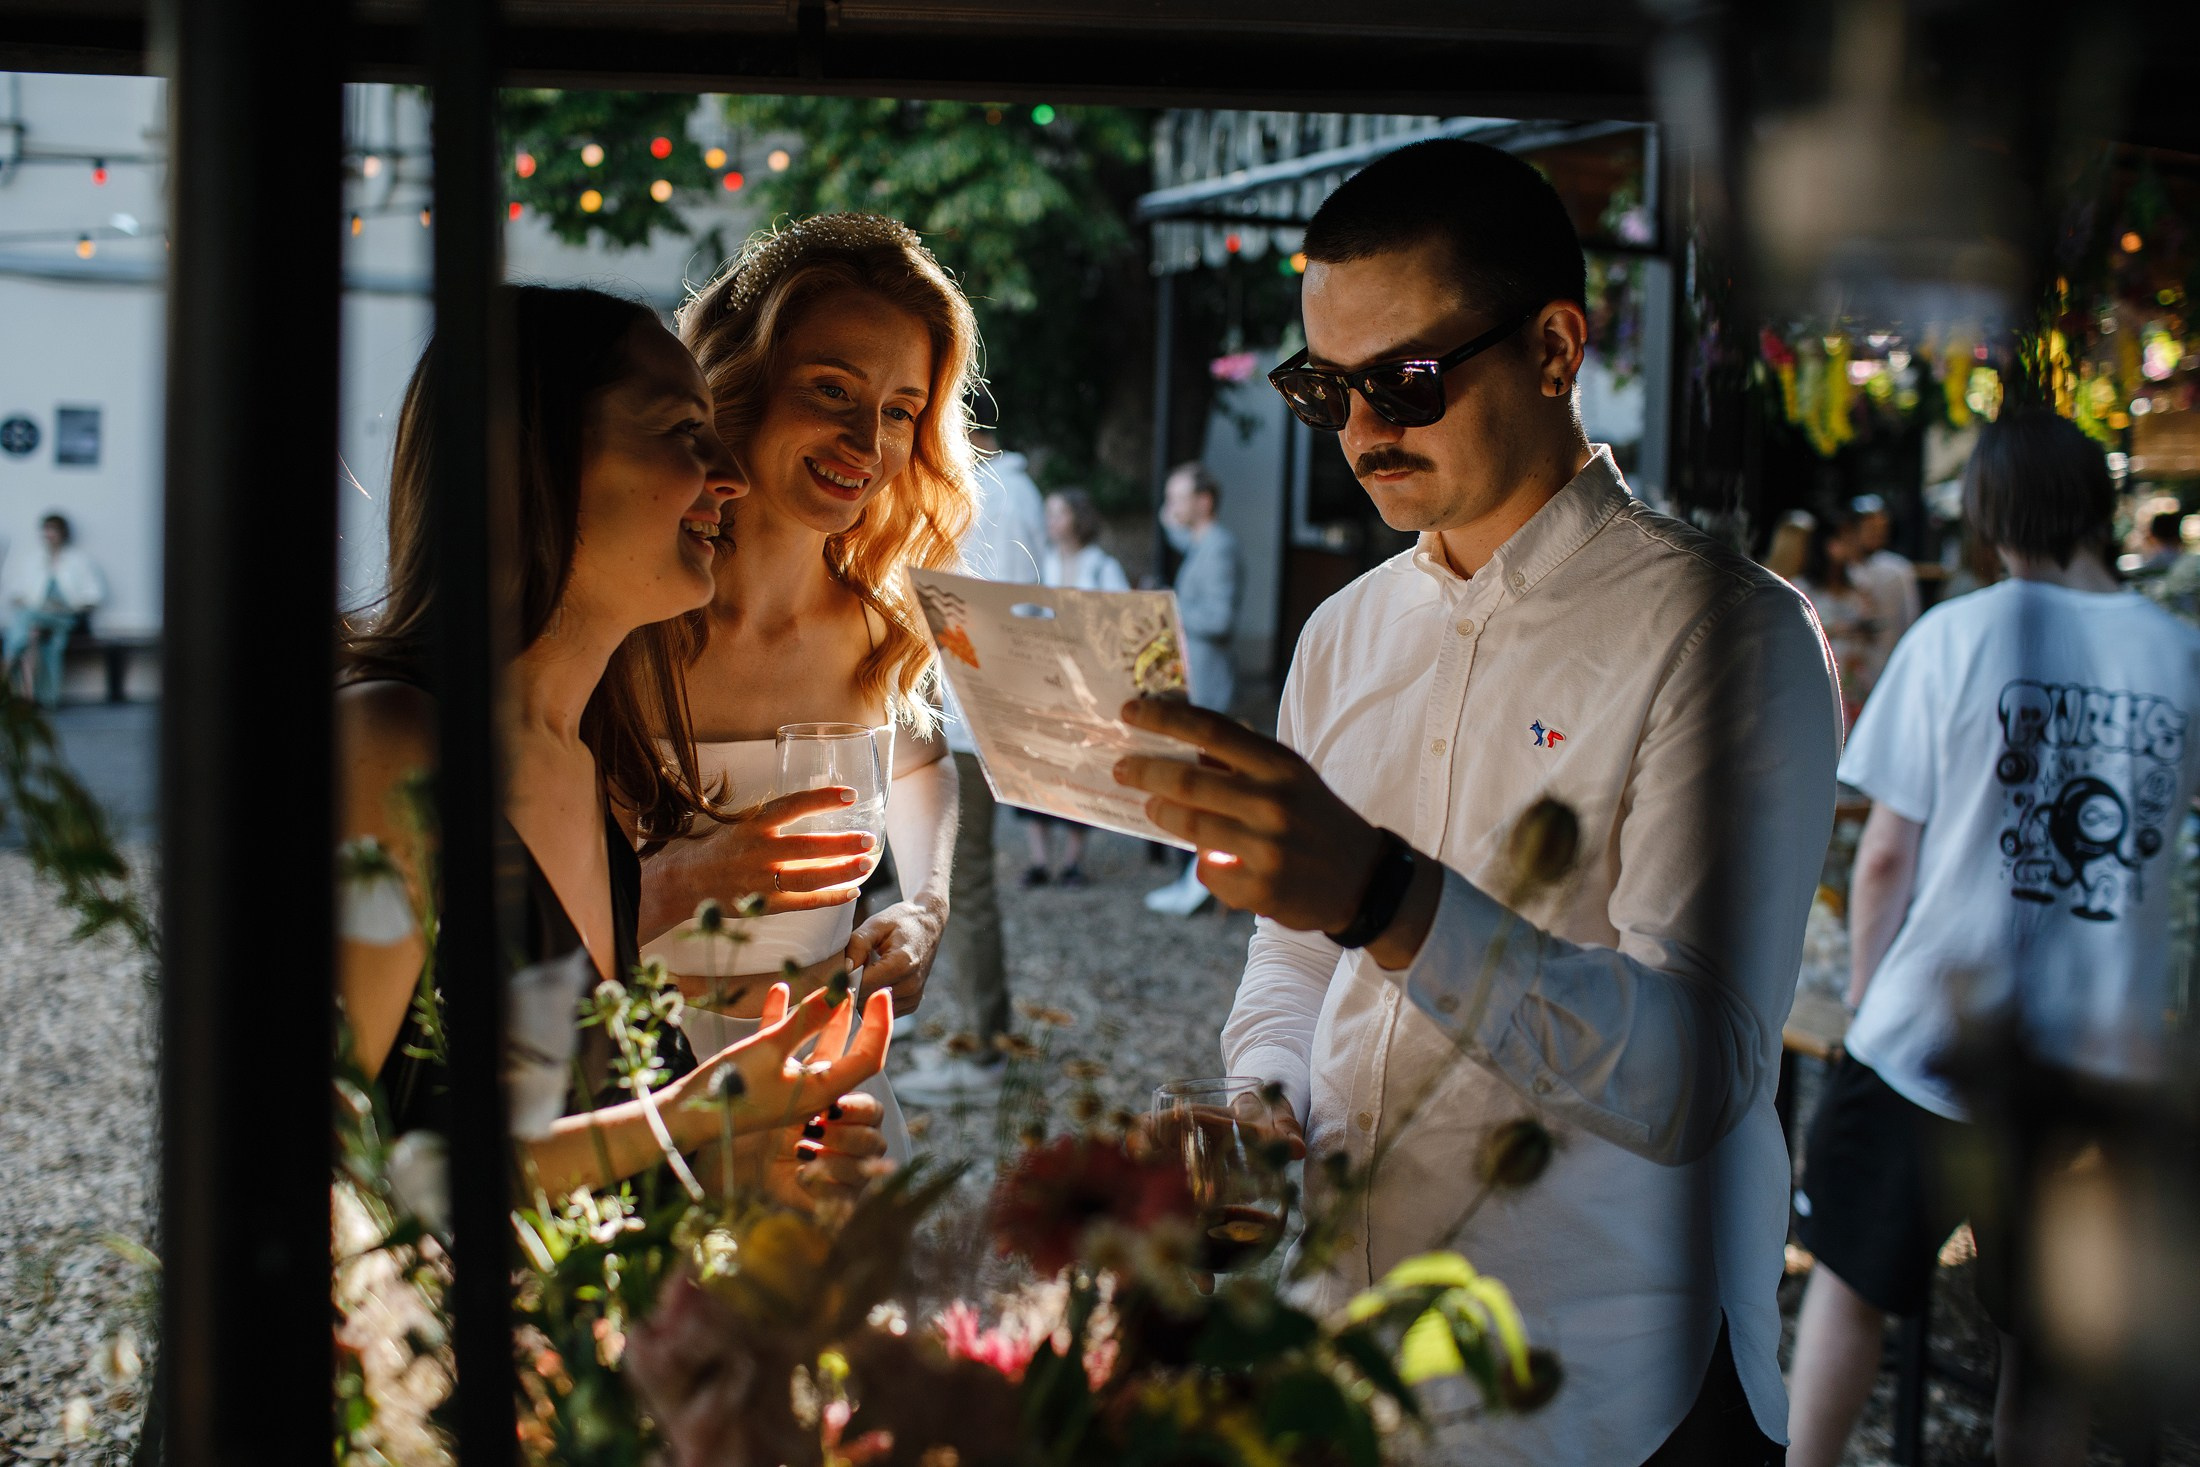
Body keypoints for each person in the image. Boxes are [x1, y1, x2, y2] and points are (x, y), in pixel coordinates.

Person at [1112, 139, 1839, 1464]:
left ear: (1555, 348)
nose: (1362, 430)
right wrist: (1266, 1104)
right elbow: (1290, 954)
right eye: (1324, 387)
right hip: (1357, 1354)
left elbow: (1701, 1068)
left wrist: (1387, 898)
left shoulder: (1727, 635)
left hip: (1608, 1382)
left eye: (1406, 380)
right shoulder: (1341, 632)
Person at [337, 285, 893, 1202]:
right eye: (683, 432)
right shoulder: (389, 747)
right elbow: (331, 1177)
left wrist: (750, 1153)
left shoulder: (581, 763)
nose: (732, 476)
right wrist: (688, 1116)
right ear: (527, 459)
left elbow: (569, 1150)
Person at [1785, 410, 2200, 1467]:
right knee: (2045, 1353)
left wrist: (1871, 1006)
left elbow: (1883, 858)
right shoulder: (2179, 654)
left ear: (1990, 514)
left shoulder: (1958, 635)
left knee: (1847, 1291)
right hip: (2092, 1063)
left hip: (1928, 1032)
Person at [642, 215, 977, 1138]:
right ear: (736, 386)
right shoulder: (624, 623)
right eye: (832, 388)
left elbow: (920, 765)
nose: (868, 441)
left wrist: (926, 905)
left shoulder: (881, 629)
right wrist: (672, 882)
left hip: (831, 1107)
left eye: (903, 409)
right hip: (630, 1098)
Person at [909, 425, 1046, 1104]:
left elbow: (998, 611)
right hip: (961, 712)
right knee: (943, 882)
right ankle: (961, 1031)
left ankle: (983, 1048)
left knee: (963, 889)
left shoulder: (996, 492)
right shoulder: (1005, 489)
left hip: (969, 718)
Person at [1017, 487, 1130, 891]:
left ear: (1078, 518)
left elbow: (1120, 620)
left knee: (1080, 767)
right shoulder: (1042, 561)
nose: (1050, 522)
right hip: (1045, 679)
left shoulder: (1101, 566)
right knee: (1038, 766)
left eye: (1059, 513)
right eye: (1048, 514)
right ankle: (1039, 859)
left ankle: (1072, 861)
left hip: (1084, 685)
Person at [1143, 462, 1242, 916]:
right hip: (1195, 680)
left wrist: (1170, 606)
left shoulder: (1220, 547)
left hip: (1211, 683)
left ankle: (1207, 884)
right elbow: (1176, 532)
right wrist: (1170, 507)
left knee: (1206, 786)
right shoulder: (1200, 543)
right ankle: (1196, 881)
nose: (1174, 507)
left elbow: (1220, 620)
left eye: (1181, 497)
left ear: (1204, 502)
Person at [3, 513, 105, 707]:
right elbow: (16, 591)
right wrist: (25, 601)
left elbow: (93, 595)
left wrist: (72, 606)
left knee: (26, 621)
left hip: (64, 618)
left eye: (53, 530)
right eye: (46, 530)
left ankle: (8, 662)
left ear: (63, 533)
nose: (49, 534)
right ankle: (40, 699)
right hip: (38, 617)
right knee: (38, 638)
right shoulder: (34, 560)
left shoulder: (78, 560)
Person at [1795, 509, 1882, 724]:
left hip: (1855, 679)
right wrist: (1837, 629)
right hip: (1818, 681)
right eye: (1843, 539)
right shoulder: (1802, 588)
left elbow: (1870, 632)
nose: (1850, 545)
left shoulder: (1859, 584)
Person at [1848, 492, 1922, 666]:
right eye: (1870, 527)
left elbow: (1910, 617)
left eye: (1881, 527)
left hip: (1887, 659)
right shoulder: (1840, 568)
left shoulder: (1898, 569)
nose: (1876, 533)